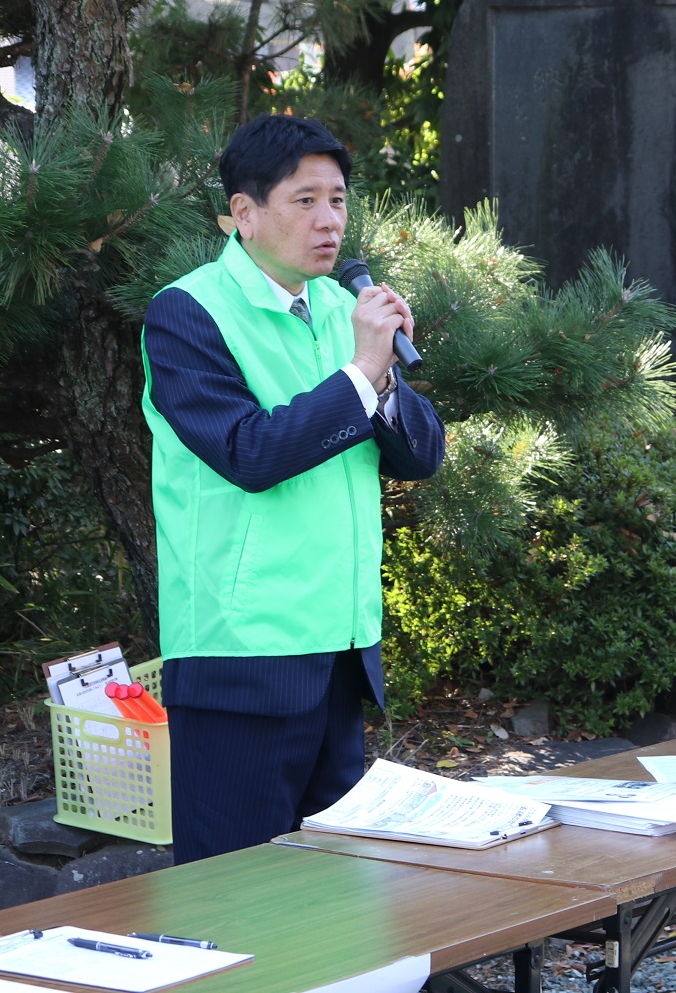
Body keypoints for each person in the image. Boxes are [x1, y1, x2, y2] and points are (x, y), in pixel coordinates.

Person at [141, 114, 447, 863]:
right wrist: (357, 374)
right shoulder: (186, 313)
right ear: (244, 213)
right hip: (238, 659)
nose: (328, 220)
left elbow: (420, 456)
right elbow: (249, 453)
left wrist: (382, 375)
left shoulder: (346, 310)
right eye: (304, 200)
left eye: (338, 200)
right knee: (236, 903)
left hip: (339, 652)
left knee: (339, 904)